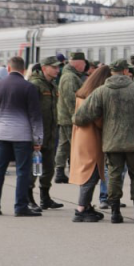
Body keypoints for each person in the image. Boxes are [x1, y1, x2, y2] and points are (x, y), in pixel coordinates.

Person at [73, 59, 134, 224]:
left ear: (111, 71)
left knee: (114, 175)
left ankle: (115, 213)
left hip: (112, 143)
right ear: (126, 71)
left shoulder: (101, 91)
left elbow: (80, 117)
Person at [0, 57, 44, 217]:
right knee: (22, 171)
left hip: (2, 134)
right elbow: (35, 116)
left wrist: (1, 122)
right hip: (22, 135)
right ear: (24, 70)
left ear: (9, 69)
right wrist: (38, 139)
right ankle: (20, 207)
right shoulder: (29, 87)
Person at [68, 66, 110, 222]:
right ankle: (80, 209)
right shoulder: (94, 96)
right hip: (91, 138)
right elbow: (98, 120)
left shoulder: (82, 93)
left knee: (86, 171)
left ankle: (86, 206)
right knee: (90, 173)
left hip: (80, 137)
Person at [25, 57, 62, 209]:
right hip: (37, 134)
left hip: (51, 133)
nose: (57, 70)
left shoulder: (52, 85)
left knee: (49, 167)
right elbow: (29, 111)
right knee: (34, 168)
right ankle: (28, 198)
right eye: (54, 67)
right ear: (45, 68)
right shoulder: (35, 85)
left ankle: (45, 197)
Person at [54, 52, 88, 183]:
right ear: (79, 63)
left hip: (65, 117)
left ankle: (60, 171)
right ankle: (77, 172)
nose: (84, 66)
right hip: (70, 118)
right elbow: (71, 100)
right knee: (76, 145)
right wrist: (77, 116)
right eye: (84, 63)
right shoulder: (70, 77)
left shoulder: (70, 75)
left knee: (64, 145)